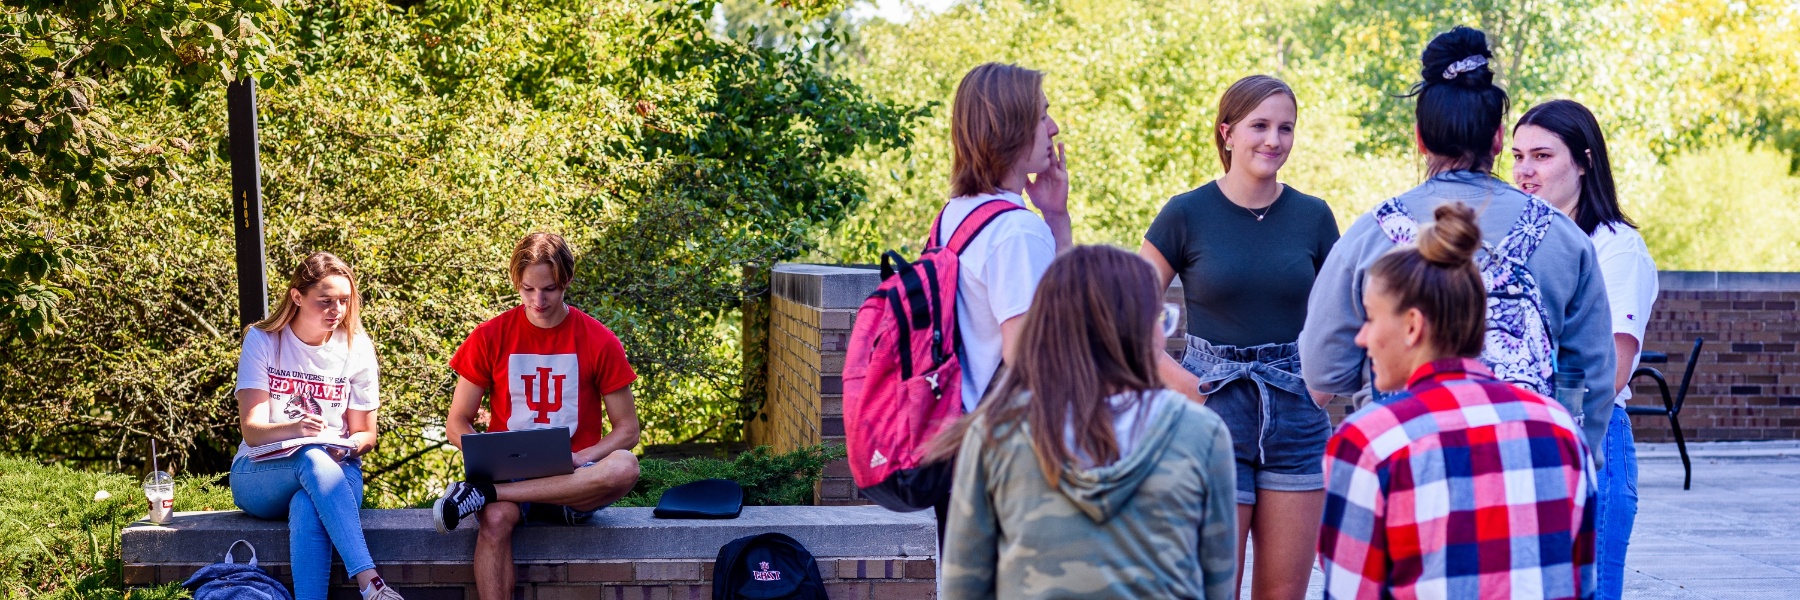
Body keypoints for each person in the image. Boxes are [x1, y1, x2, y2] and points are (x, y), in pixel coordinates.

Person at [1298, 25, 1617, 458]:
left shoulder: (1372, 233)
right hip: (1528, 467)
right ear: (1499, 138)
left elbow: (1323, 368)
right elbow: (1591, 378)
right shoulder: (1563, 237)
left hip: (1406, 460)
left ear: (1420, 137)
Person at [1318, 202, 1596, 599]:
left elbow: (1350, 592)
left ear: (1412, 325)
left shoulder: (1369, 442)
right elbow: (1580, 585)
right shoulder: (1561, 430)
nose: (1362, 338)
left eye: (1370, 317)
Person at [935, 245, 1237, 600]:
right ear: (1131, 331)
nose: (1162, 333)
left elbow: (963, 587)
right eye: (1157, 319)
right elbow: (1217, 584)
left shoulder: (996, 432)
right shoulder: (1201, 433)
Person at [1139, 74, 1339, 600]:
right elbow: (1124, 315)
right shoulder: (1185, 213)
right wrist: (1185, 386)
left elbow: (1345, 313)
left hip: (1296, 411)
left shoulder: (1314, 216)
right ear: (1227, 133)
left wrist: (1322, 385)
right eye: (1260, 126)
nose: (1273, 140)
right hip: (1212, 409)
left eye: (1286, 128)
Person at [431, 233, 643, 600]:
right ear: (516, 282)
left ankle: (484, 493)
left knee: (625, 466)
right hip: (509, 469)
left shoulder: (599, 340)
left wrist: (582, 458)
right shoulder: (489, 337)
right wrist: (484, 453)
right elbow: (457, 422)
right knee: (495, 520)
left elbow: (627, 430)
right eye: (528, 289)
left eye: (549, 289)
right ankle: (493, 492)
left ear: (567, 281)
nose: (538, 301)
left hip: (574, 479)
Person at [1513, 98, 1657, 600]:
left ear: (1585, 160)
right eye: (1517, 156)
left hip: (1589, 439)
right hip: (1517, 440)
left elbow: (1612, 370)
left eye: (1542, 156)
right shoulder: (1519, 243)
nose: (1525, 171)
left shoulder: (1614, 247)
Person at [230, 252, 403, 600]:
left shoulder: (357, 347)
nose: (336, 310)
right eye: (325, 301)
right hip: (261, 475)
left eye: (343, 300)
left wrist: (350, 445)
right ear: (297, 297)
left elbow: (367, 433)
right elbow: (251, 430)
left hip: (338, 475)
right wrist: (296, 430)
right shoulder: (263, 341)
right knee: (310, 456)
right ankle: (371, 583)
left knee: (308, 504)